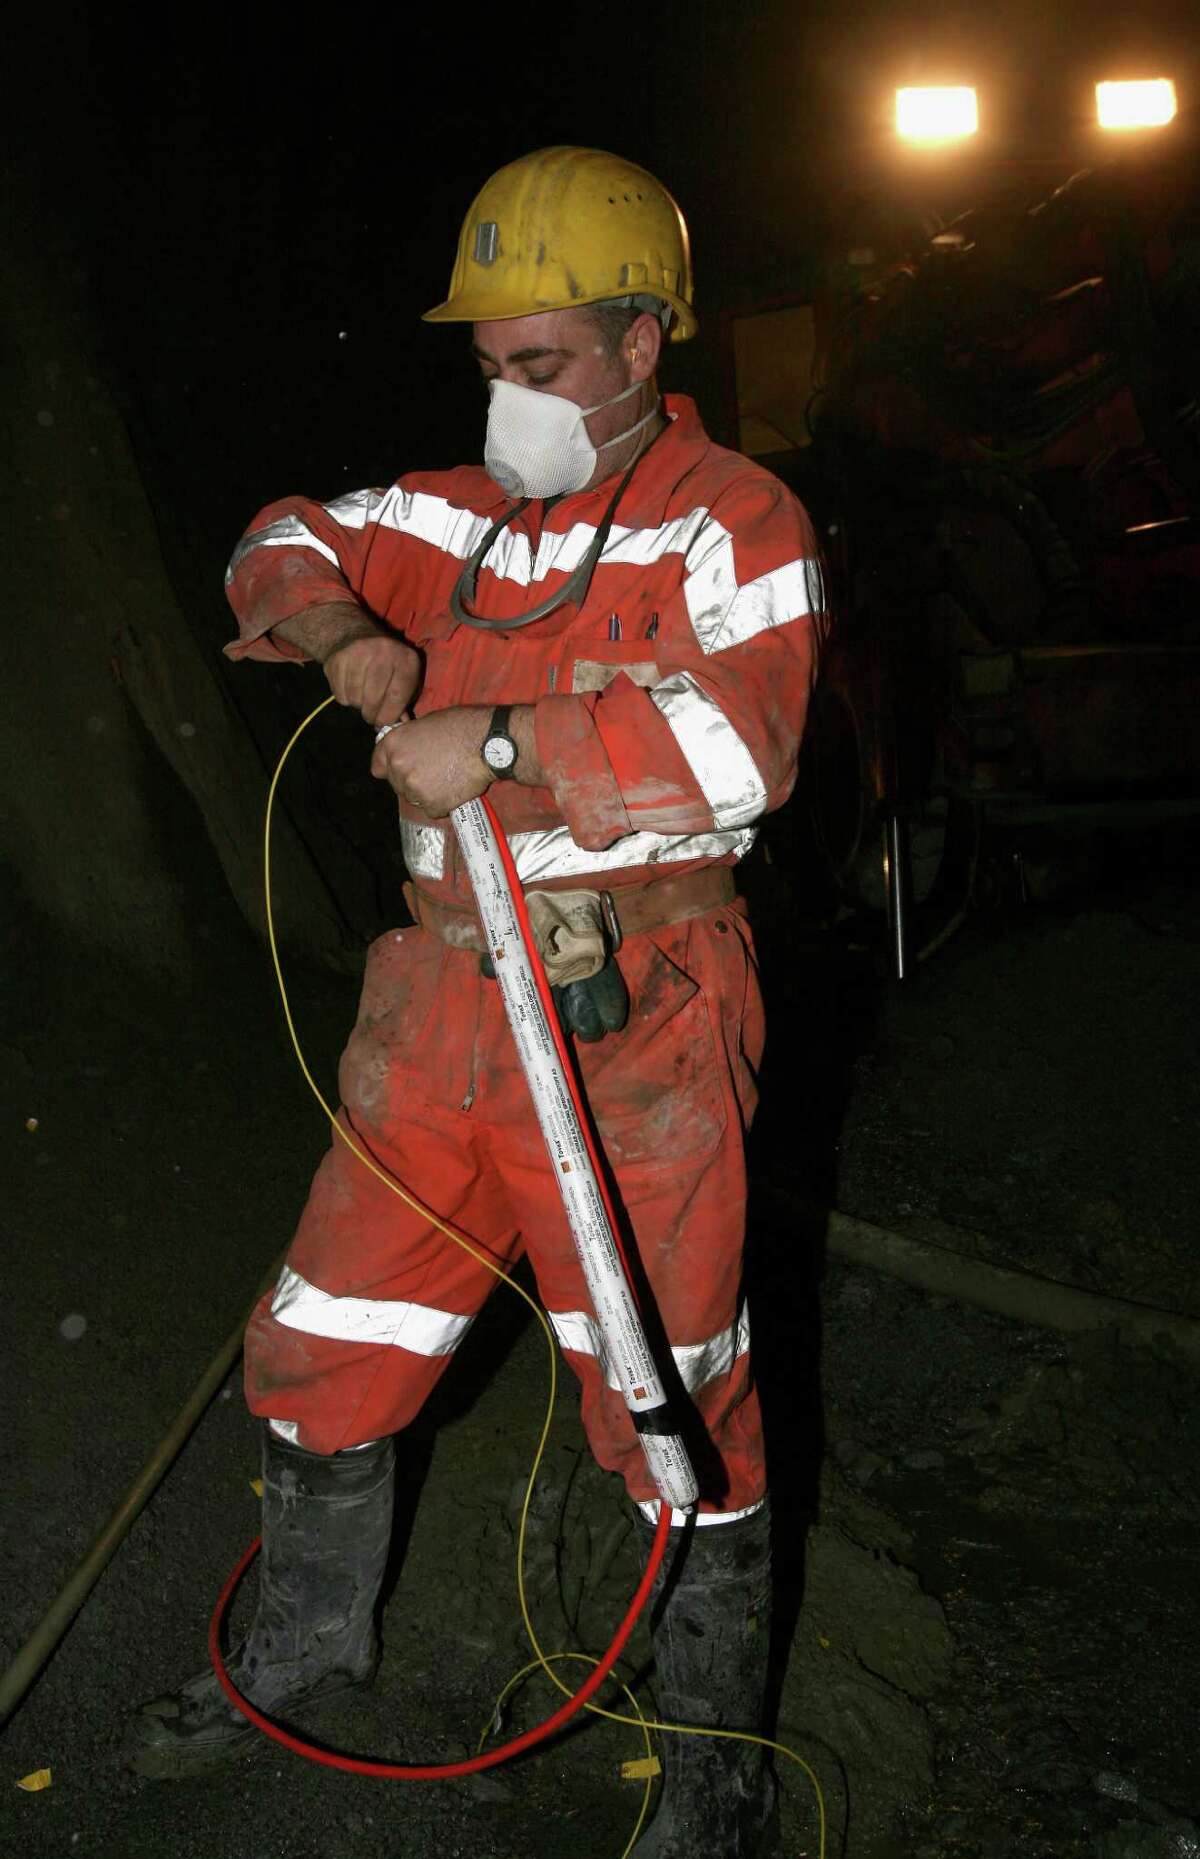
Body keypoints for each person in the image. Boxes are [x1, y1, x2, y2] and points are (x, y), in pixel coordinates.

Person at [126, 145, 825, 1856]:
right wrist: (340, 629)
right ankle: (300, 1646)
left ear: (643, 342)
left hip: (633, 1017)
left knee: (671, 1398)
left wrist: (503, 741)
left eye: (544, 366)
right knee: (322, 1342)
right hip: (438, 1006)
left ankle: (709, 1762)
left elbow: (752, 743)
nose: (507, 400)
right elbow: (273, 537)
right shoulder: (450, 511)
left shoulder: (736, 521)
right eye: (489, 367)